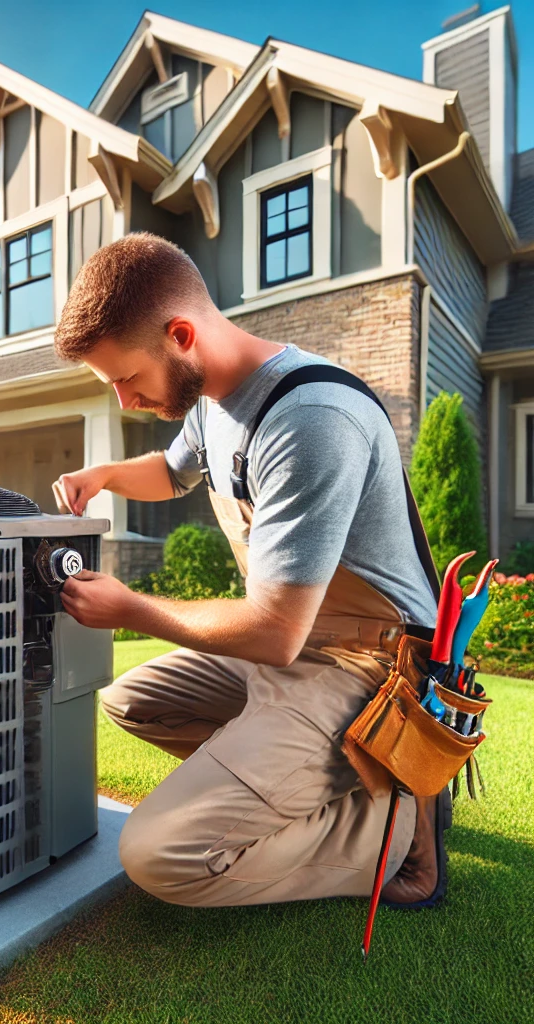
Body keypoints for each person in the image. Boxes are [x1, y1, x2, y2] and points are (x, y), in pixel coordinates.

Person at [52, 232, 449, 910]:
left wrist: (131, 608)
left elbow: (273, 631)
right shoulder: (210, 400)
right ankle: (303, 774)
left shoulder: (311, 420)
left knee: (160, 855)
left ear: (180, 334)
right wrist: (106, 475)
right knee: (131, 700)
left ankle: (398, 815)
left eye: (126, 379)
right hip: (292, 648)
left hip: (364, 667)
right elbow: (174, 474)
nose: (123, 401)